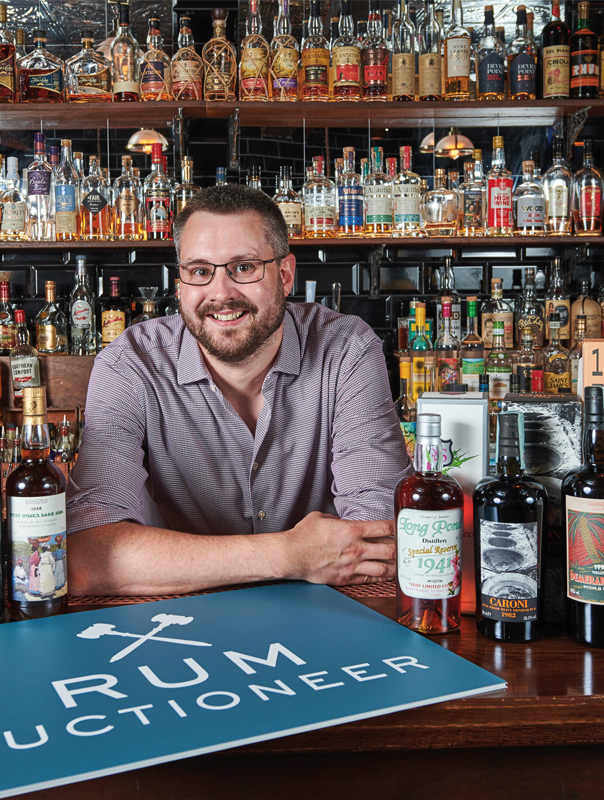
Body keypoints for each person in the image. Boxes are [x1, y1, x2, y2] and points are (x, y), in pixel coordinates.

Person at [67, 184, 413, 595]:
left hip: (325, 610)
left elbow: (384, 538)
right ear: (180, 284)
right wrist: (291, 555)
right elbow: (87, 556)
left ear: (285, 275)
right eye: (200, 271)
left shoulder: (346, 350)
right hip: (179, 618)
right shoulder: (130, 365)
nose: (221, 294)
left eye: (244, 267)